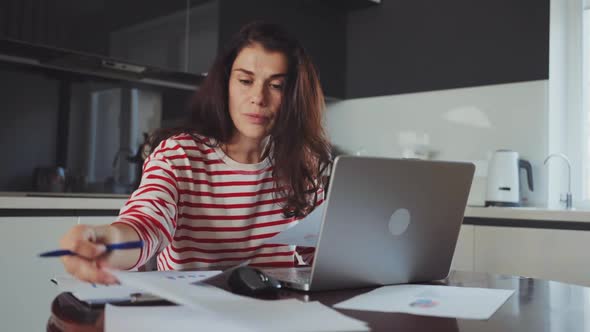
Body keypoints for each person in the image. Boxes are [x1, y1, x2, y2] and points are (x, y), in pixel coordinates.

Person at [59, 21, 332, 284]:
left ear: (294, 94)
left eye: (276, 86)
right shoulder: (178, 156)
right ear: (226, 85)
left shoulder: (302, 163)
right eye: (245, 81)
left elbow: (318, 259)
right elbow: (145, 223)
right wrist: (103, 242)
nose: (258, 97)